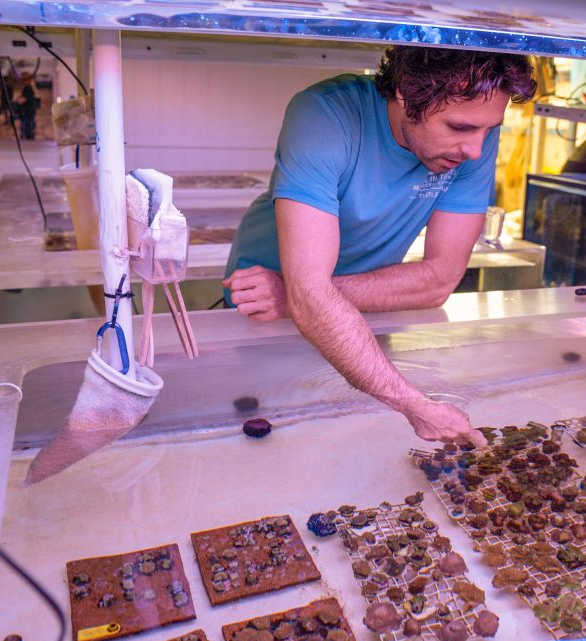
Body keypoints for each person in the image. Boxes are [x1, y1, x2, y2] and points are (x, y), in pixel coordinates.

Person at [223, 46, 536, 447]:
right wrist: (414, 404)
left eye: (489, 129)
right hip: (258, 308)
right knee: (272, 439)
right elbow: (309, 297)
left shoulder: (473, 136)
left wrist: (297, 295)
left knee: (350, 437)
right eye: (459, 128)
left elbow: (439, 282)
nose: (475, 150)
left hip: (318, 302)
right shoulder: (324, 114)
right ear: (406, 94)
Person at [16, 73, 39, 140]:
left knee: (27, 127)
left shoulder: (27, 88)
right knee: (30, 126)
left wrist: (18, 100)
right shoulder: (31, 88)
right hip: (30, 110)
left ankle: (28, 140)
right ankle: (30, 139)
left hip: (27, 110)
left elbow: (23, 99)